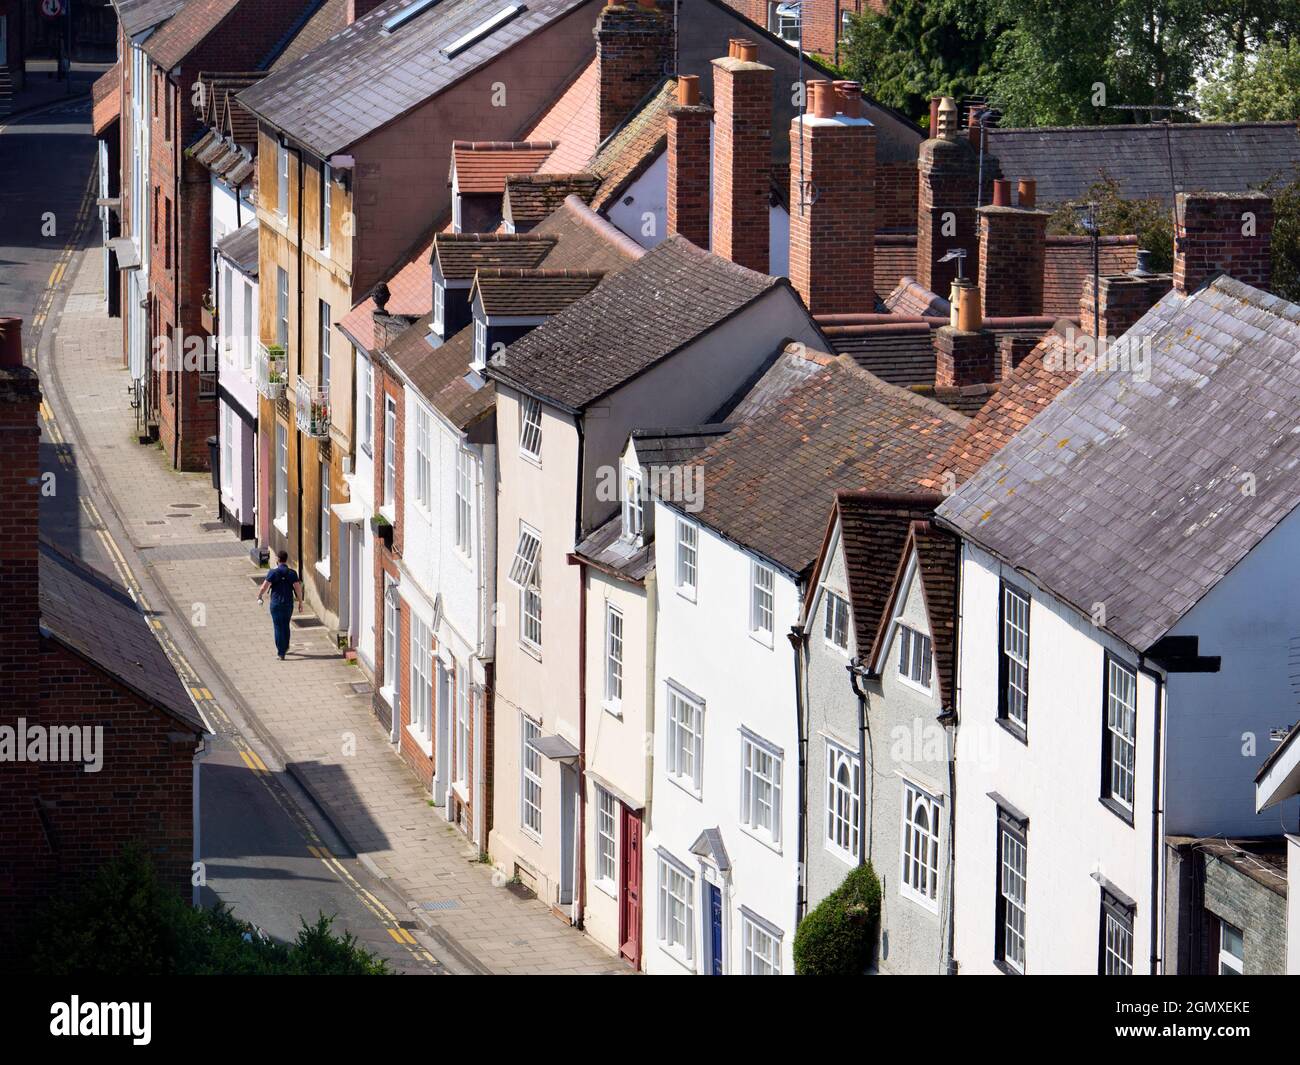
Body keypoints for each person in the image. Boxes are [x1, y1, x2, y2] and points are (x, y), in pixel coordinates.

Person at [257, 550, 304, 660]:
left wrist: (259, 596)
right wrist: (301, 602)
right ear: (286, 559)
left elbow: (264, 587)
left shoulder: (273, 573)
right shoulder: (292, 573)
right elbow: (298, 589)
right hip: (288, 604)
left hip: (276, 604)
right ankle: (286, 646)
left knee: (278, 627)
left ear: (278, 559)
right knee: (286, 624)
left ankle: (281, 652)